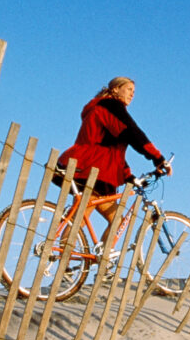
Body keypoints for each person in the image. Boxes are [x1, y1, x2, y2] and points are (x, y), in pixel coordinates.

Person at [56, 77, 171, 232]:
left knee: (117, 222)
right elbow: (133, 133)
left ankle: (98, 251)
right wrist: (158, 158)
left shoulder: (104, 108)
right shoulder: (111, 106)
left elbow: (112, 150)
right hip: (93, 168)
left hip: (93, 164)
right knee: (81, 218)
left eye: (134, 91)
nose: (132, 94)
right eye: (129, 89)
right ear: (116, 89)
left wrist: (128, 176)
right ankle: (61, 247)